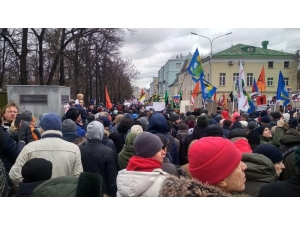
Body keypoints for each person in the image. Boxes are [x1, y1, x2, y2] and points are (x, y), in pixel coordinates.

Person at [9, 113, 83, 190]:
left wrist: (30, 188)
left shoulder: (29, 148)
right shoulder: (74, 149)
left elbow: (14, 174)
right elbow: (78, 177)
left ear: (42, 128)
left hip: (36, 195)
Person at [116, 132, 168, 197]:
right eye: (158, 150)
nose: (163, 152)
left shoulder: (122, 180)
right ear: (149, 153)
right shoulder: (164, 182)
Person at [79, 120, 118, 197]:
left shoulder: (79, 150)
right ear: (101, 133)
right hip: (102, 192)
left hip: (83, 190)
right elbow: (112, 178)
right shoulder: (108, 152)